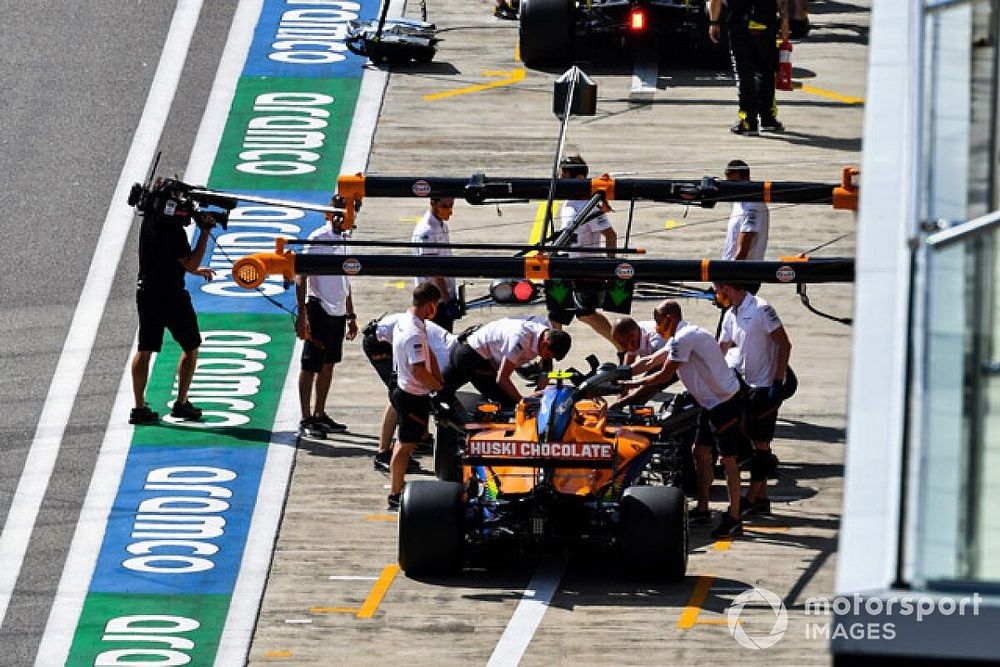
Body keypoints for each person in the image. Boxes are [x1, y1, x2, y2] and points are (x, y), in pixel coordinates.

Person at [618, 301, 749, 538]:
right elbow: (649, 361)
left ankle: (734, 517)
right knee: (699, 452)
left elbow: (663, 374)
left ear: (669, 319)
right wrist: (619, 374)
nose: (656, 327)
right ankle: (703, 508)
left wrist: (631, 384)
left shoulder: (684, 338)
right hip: (708, 403)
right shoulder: (680, 336)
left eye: (658, 321)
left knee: (728, 461)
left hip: (725, 403)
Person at [129, 193, 217, 425]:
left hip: (146, 293)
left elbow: (169, 259)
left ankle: (139, 407)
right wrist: (205, 232)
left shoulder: (149, 222)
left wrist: (193, 270)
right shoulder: (175, 232)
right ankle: (181, 403)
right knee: (191, 346)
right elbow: (190, 261)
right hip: (171, 296)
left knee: (145, 349)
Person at [716, 282, 792, 518]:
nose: (717, 294)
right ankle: (762, 498)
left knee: (761, 444)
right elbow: (721, 347)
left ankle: (750, 499)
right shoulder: (731, 314)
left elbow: (784, 344)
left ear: (730, 288)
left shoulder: (761, 309)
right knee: (751, 439)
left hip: (766, 385)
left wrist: (777, 381)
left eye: (719, 289)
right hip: (747, 385)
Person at [364, 311, 457, 472]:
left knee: (417, 392)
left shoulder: (451, 346)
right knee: (399, 396)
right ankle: (383, 454)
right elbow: (423, 376)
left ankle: (422, 438)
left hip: (395, 338)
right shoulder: (447, 356)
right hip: (379, 342)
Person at [295, 217, 358, 437]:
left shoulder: (346, 238)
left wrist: (350, 313)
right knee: (310, 365)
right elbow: (301, 275)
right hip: (319, 308)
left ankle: (319, 413)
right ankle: (305, 418)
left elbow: (346, 279)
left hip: (338, 311)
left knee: (328, 365)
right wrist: (302, 314)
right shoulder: (317, 238)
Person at [547, 155, 618, 345]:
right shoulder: (568, 201)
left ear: (578, 179)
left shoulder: (589, 204)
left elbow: (610, 235)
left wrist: (611, 266)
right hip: (565, 264)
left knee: (585, 313)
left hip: (585, 266)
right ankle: (550, 354)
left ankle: (622, 346)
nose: (560, 182)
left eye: (564, 178)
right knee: (555, 313)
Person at [387, 282, 446, 509]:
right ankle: (395, 493)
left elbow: (427, 353)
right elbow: (418, 371)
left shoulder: (406, 320)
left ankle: (396, 487)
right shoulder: (414, 333)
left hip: (401, 386)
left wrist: (439, 379)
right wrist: (438, 388)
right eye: (436, 305)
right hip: (412, 395)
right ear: (430, 305)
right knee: (405, 445)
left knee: (405, 442)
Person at [442, 318, 571, 410]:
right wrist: (522, 401)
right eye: (548, 355)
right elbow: (502, 378)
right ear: (545, 344)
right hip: (470, 358)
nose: (547, 358)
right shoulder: (520, 340)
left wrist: (538, 394)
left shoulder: (546, 331)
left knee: (441, 390)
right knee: (508, 405)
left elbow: (547, 368)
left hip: (486, 360)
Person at [709, 0, 790, 135]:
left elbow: (715, 1)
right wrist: (785, 20)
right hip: (765, 23)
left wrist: (713, 23)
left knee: (744, 73)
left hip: (740, 25)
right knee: (767, 71)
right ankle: (768, 118)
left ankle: (748, 121)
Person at [412, 196, 461, 332]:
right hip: (433, 301)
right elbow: (434, 269)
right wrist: (447, 299)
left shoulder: (441, 226)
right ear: (433, 203)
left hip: (442, 299)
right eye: (445, 206)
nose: (450, 211)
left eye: (451, 206)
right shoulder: (427, 231)